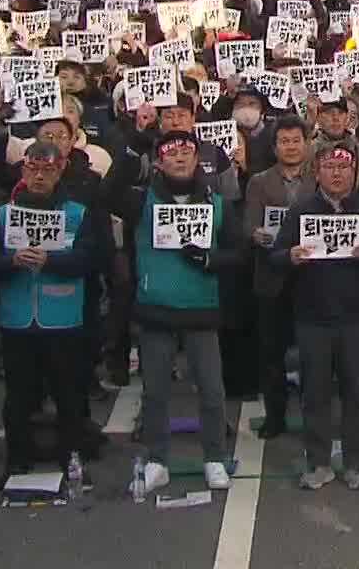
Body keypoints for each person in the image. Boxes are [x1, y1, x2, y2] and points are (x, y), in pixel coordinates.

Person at [130, 131, 246, 496]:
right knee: (155, 392)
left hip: (201, 308)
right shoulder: (140, 200)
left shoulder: (218, 203)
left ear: (198, 160)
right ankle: (156, 460)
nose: (179, 158)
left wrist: (210, 259)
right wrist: (136, 140)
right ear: (159, 161)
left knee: (212, 390)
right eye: (170, 153)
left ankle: (214, 458)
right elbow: (105, 196)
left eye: (187, 152)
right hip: (156, 307)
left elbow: (240, 254)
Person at [0, 142, 101, 495]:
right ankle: (16, 461)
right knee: (18, 397)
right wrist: (11, 261)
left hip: (63, 318)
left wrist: (52, 261)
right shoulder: (3, 214)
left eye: (47, 169)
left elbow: (89, 260)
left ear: (60, 170)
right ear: (22, 171)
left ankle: (72, 459)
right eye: (32, 169)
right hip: (17, 318)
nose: (39, 176)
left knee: (68, 394)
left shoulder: (78, 213)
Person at [272, 144, 359, 491]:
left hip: (358, 318)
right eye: (329, 167)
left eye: (343, 168)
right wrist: (290, 255)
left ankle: (357, 462)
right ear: (317, 172)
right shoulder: (300, 212)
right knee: (316, 393)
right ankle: (318, 462)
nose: (337, 174)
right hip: (313, 318)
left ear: (354, 173)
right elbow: (274, 257)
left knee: (358, 392)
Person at [241, 116, 314, 439]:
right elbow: (249, 225)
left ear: (307, 144)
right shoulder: (259, 182)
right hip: (271, 276)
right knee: (272, 353)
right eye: (284, 141)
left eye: (296, 140)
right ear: (274, 147)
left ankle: (315, 415)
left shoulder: (319, 178)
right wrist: (257, 234)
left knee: (315, 353)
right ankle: (275, 416)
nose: (291, 146)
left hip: (314, 277)